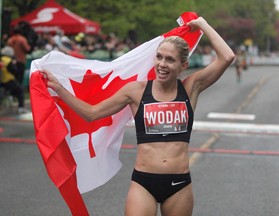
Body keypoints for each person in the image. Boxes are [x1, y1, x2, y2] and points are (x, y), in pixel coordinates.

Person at [42, 16, 235, 216]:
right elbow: (92, 113)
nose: (162, 64)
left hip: (179, 184)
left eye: (170, 60)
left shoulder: (190, 87)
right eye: (159, 57)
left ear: (183, 66)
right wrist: (59, 88)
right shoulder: (136, 91)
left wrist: (202, 24)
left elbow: (227, 57)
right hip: (144, 183)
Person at [0, 46, 28, 114]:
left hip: (2, 81)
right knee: (20, 91)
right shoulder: (8, 61)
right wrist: (15, 64)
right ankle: (21, 108)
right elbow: (14, 71)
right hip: (9, 80)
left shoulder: (1, 59)